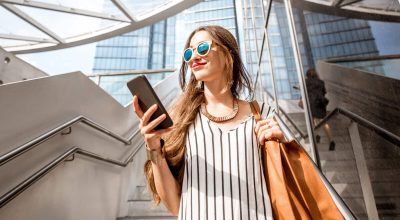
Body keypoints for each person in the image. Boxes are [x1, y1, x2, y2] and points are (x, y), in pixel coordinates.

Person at [133, 25, 286, 220]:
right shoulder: (180, 119)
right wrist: (153, 147)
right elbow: (175, 206)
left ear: (228, 53)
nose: (194, 57)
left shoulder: (262, 113)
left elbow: (285, 180)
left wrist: (280, 144)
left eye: (202, 48)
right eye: (189, 52)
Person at [305, 68, 335, 151]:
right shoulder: (321, 82)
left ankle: (317, 135)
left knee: (312, 119)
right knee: (323, 121)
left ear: (308, 75)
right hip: (321, 103)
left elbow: (305, 92)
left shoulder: (306, 82)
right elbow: (324, 92)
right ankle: (331, 141)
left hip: (312, 103)